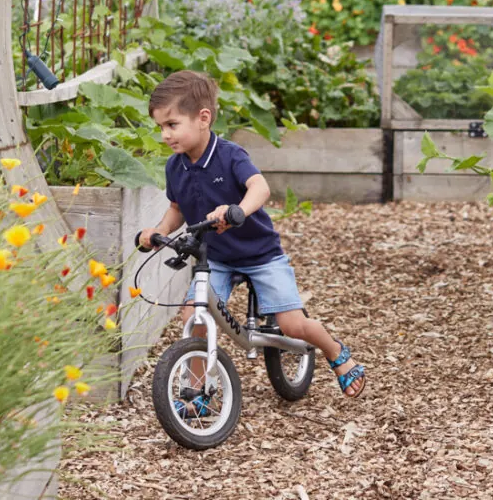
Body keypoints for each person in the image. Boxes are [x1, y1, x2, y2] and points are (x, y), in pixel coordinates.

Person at [138, 70, 366, 412]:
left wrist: (236, 210)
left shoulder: (230, 155)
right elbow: (176, 208)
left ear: (203, 118)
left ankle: (336, 353)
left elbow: (260, 187)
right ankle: (198, 390)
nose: (165, 134)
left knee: (292, 325)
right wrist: (157, 232)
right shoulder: (175, 167)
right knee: (193, 315)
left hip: (260, 254)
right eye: (161, 127)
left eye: (172, 124)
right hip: (214, 256)